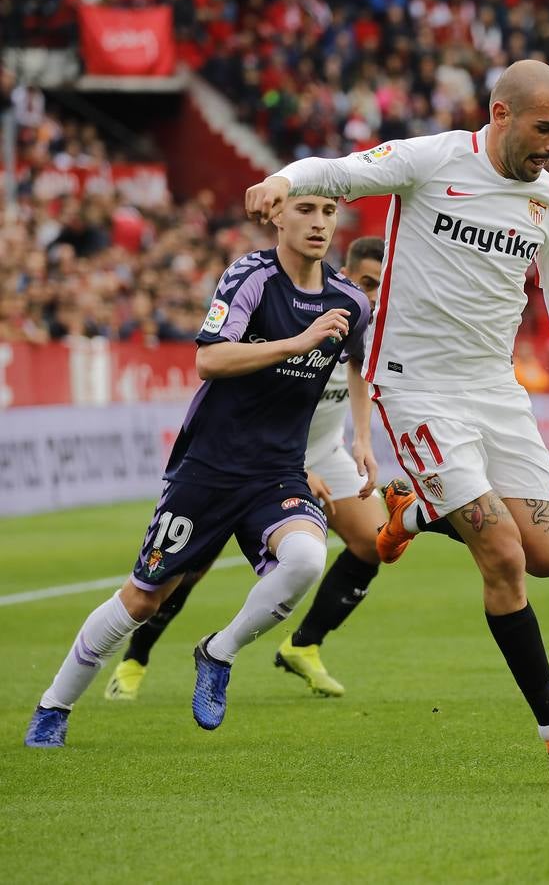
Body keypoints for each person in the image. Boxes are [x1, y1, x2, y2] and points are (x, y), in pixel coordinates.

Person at [245, 59, 549, 788]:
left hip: (495, 391)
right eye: (544, 130)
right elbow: (338, 172)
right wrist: (288, 178)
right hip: (416, 388)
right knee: (502, 554)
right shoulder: (433, 160)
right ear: (501, 115)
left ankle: (411, 513)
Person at [24, 194, 375, 747]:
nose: (319, 222)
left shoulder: (350, 299)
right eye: (306, 209)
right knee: (142, 599)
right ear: (278, 216)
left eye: (329, 212)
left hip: (277, 472)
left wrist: (362, 436)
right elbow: (209, 358)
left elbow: (358, 362)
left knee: (307, 557)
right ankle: (54, 706)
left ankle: (218, 651)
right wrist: (299, 341)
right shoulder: (251, 277)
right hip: (208, 468)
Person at [103, 237, 387, 701]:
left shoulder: (356, 320)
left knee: (375, 542)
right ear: (346, 273)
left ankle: (304, 646)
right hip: (266, 458)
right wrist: (295, 468)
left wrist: (361, 438)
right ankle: (136, 657)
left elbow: (358, 368)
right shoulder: (307, 318)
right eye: (366, 283)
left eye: (381, 286)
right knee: (186, 568)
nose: (372, 295)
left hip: (322, 456)